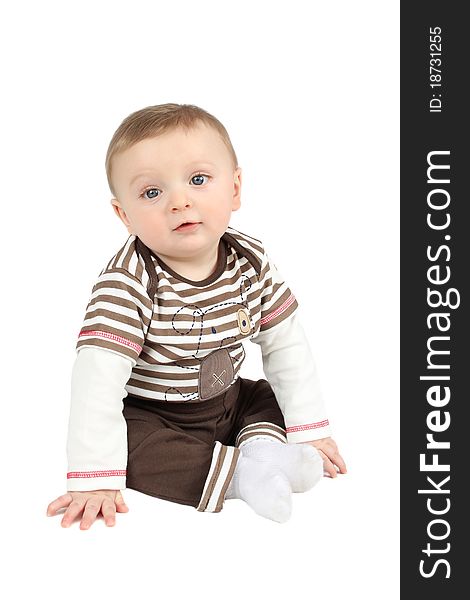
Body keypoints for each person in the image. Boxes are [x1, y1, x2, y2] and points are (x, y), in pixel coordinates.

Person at [46, 103, 347, 530]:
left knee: (266, 397)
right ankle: (241, 477)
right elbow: (98, 379)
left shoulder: (250, 261)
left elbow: (286, 343)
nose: (180, 202)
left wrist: (309, 430)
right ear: (124, 215)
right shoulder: (130, 281)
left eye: (198, 180)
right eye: (152, 192)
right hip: (155, 414)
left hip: (227, 400)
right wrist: (95, 477)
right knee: (131, 447)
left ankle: (266, 454)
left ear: (236, 187)